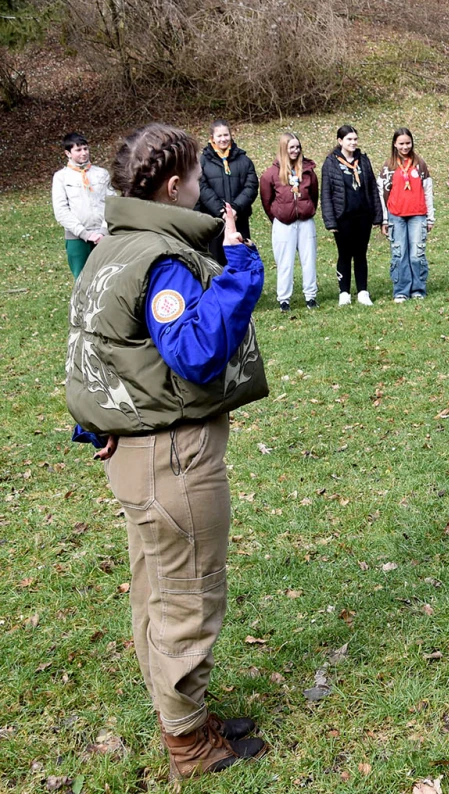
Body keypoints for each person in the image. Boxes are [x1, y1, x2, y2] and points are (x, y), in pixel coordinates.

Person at [65, 123, 269, 779]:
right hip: (172, 458)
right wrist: (238, 267)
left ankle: (185, 713)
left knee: (158, 591)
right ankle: (188, 740)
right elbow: (197, 352)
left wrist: (95, 424)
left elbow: (95, 346)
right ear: (175, 184)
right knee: (188, 595)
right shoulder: (160, 258)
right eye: (198, 178)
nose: (207, 188)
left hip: (139, 451)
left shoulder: (112, 246)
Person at [321, 124, 384, 306]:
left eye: (355, 139)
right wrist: (330, 220)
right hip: (343, 217)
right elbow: (326, 193)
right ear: (340, 141)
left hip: (363, 216)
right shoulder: (331, 163)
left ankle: (363, 292)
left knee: (361, 254)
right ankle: (344, 293)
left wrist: (377, 215)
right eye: (349, 139)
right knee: (344, 254)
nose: (353, 142)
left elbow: (372, 187)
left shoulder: (363, 160)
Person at [260, 132, 319, 311]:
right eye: (291, 147)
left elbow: (314, 195)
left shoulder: (308, 171)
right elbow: (266, 200)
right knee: (284, 262)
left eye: (297, 147)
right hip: (283, 223)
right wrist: (279, 215)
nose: (295, 150)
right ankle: (284, 298)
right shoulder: (271, 174)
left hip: (305, 221)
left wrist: (307, 208)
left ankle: (311, 296)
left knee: (309, 260)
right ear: (284, 148)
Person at [380, 128, 435, 302]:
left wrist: (430, 217)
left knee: (416, 254)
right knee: (399, 253)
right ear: (395, 144)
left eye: (408, 143)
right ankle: (401, 290)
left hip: (418, 215)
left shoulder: (420, 164)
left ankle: (418, 288)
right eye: (401, 143)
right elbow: (381, 193)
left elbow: (428, 191)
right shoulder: (388, 166)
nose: (405, 147)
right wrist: (384, 219)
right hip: (396, 215)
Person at [196, 120, 258, 264]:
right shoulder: (202, 162)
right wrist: (222, 212)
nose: (223, 139)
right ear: (212, 137)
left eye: (226, 135)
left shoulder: (244, 160)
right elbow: (201, 186)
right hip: (215, 222)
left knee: (241, 261)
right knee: (217, 263)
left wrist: (235, 208)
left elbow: (251, 186)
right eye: (219, 136)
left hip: (239, 220)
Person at [52, 132, 112, 278]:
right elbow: (61, 210)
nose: (84, 153)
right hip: (77, 237)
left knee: (106, 277)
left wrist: (103, 231)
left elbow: (112, 203)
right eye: (78, 150)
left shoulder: (101, 174)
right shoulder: (61, 177)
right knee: (82, 279)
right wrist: (85, 234)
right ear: (68, 153)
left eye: (85, 149)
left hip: (103, 236)